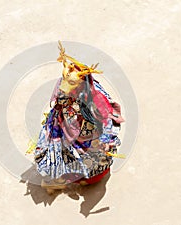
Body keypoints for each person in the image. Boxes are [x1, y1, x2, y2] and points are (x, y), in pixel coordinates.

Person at [33, 41, 125, 194]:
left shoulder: (96, 98)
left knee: (92, 170)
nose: (63, 86)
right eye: (65, 78)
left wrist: (104, 142)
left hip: (88, 138)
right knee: (55, 152)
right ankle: (57, 179)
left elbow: (107, 119)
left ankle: (65, 179)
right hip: (63, 128)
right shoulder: (64, 87)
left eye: (71, 82)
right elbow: (59, 103)